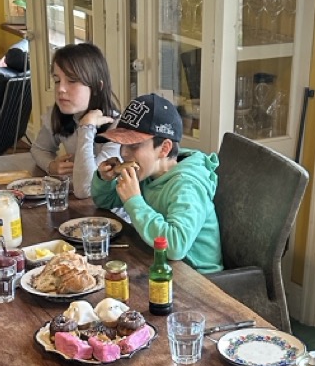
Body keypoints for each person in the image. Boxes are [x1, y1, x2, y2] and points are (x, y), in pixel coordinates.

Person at [90, 93, 223, 273]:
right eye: (122, 145)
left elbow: (176, 246)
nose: (124, 153)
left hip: (199, 281)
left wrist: (134, 201)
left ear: (164, 148)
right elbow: (104, 202)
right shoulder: (148, 173)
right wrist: (104, 180)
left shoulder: (187, 185)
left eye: (134, 145)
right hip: (158, 265)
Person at [16, 41, 122, 198]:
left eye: (72, 81)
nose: (61, 89)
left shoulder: (117, 128)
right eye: (57, 80)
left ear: (97, 87)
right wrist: (51, 166)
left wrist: (86, 127)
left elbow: (88, 188)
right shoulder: (59, 114)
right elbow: (39, 148)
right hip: (78, 203)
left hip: (110, 213)